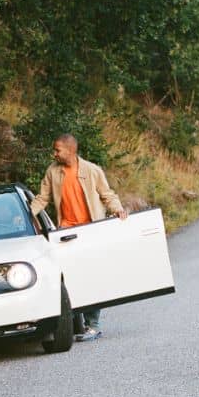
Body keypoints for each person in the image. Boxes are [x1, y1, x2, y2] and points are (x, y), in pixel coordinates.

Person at [29, 133, 127, 342]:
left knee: (92, 277)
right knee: (70, 279)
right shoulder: (52, 172)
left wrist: (118, 209)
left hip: (90, 231)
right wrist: (26, 215)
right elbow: (42, 198)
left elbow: (107, 194)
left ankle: (93, 325)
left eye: (57, 150)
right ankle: (75, 324)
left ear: (70, 150)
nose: (53, 153)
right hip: (66, 234)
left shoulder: (92, 170)